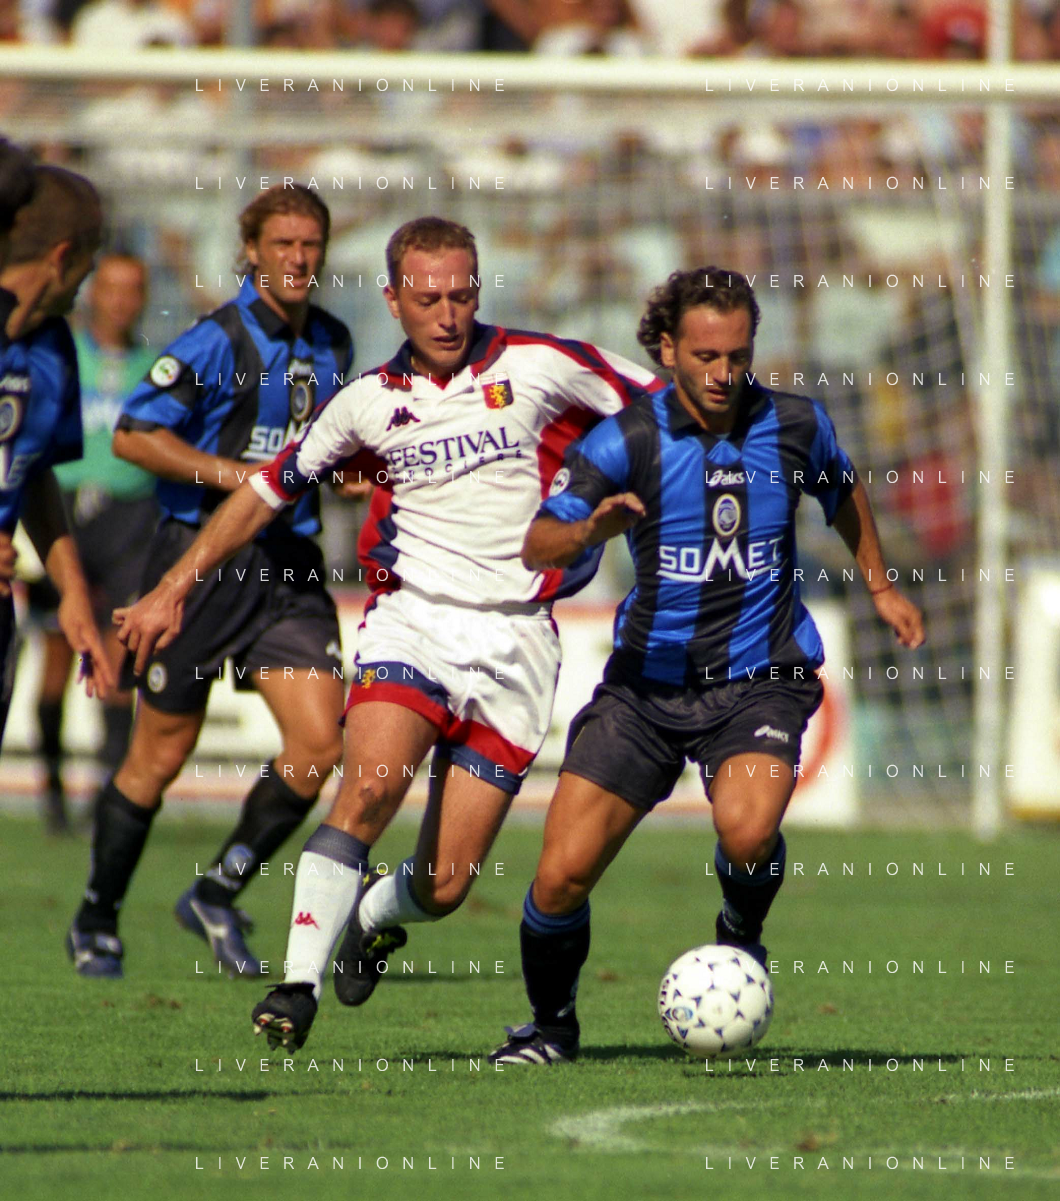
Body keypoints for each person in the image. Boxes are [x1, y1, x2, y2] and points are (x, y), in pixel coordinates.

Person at [112, 215, 660, 1051]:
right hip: (413, 623)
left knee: (444, 885)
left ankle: (369, 914)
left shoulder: (544, 364)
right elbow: (264, 492)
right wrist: (169, 589)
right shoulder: (365, 402)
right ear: (393, 299)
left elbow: (670, 409)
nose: (447, 313)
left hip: (518, 642)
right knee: (366, 790)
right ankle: (296, 985)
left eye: (462, 295)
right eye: (427, 298)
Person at [487, 267, 926, 1065]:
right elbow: (537, 542)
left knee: (748, 830)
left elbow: (842, 490)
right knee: (559, 877)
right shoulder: (626, 438)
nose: (724, 373)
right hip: (645, 688)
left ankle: (740, 928)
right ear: (666, 349)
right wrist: (588, 531)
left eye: (738, 355)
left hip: (762, 678)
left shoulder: (794, 423)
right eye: (706, 356)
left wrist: (881, 584)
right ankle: (550, 1027)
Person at [66, 184, 354, 980]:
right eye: (282, 244)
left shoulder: (333, 341)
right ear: (251, 251)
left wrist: (349, 474)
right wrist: (240, 479)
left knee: (320, 743)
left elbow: (321, 448)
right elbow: (133, 435)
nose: (298, 258)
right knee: (158, 756)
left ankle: (216, 890)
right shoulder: (214, 341)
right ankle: (97, 914)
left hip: (288, 564)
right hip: (199, 562)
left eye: (311, 244)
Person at [23, 253, 158, 833]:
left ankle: (109, 795)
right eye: (111, 289)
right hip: (61, 521)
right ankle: (53, 790)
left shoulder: (155, 369)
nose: (121, 301)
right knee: (57, 658)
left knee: (118, 656)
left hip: (130, 520)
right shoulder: (60, 356)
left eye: (133, 290)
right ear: (92, 293)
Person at [0, 163, 115, 753]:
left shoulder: (52, 348)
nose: (87, 283)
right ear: (62, 257)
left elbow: (33, 467)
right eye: (88, 266)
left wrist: (71, 590)